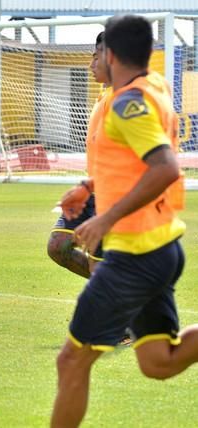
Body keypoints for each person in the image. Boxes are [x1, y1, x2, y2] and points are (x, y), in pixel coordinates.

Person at [52, 15, 198, 427]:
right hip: (160, 247)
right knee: (158, 362)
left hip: (135, 255)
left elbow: (166, 168)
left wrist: (105, 218)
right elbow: (131, 160)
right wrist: (88, 186)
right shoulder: (153, 87)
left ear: (110, 53)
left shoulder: (125, 102)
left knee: (72, 361)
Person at [48, 32, 109, 279]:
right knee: (58, 246)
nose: (90, 64)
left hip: (113, 196)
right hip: (95, 190)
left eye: (97, 58)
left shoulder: (127, 101)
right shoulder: (103, 97)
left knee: (100, 268)